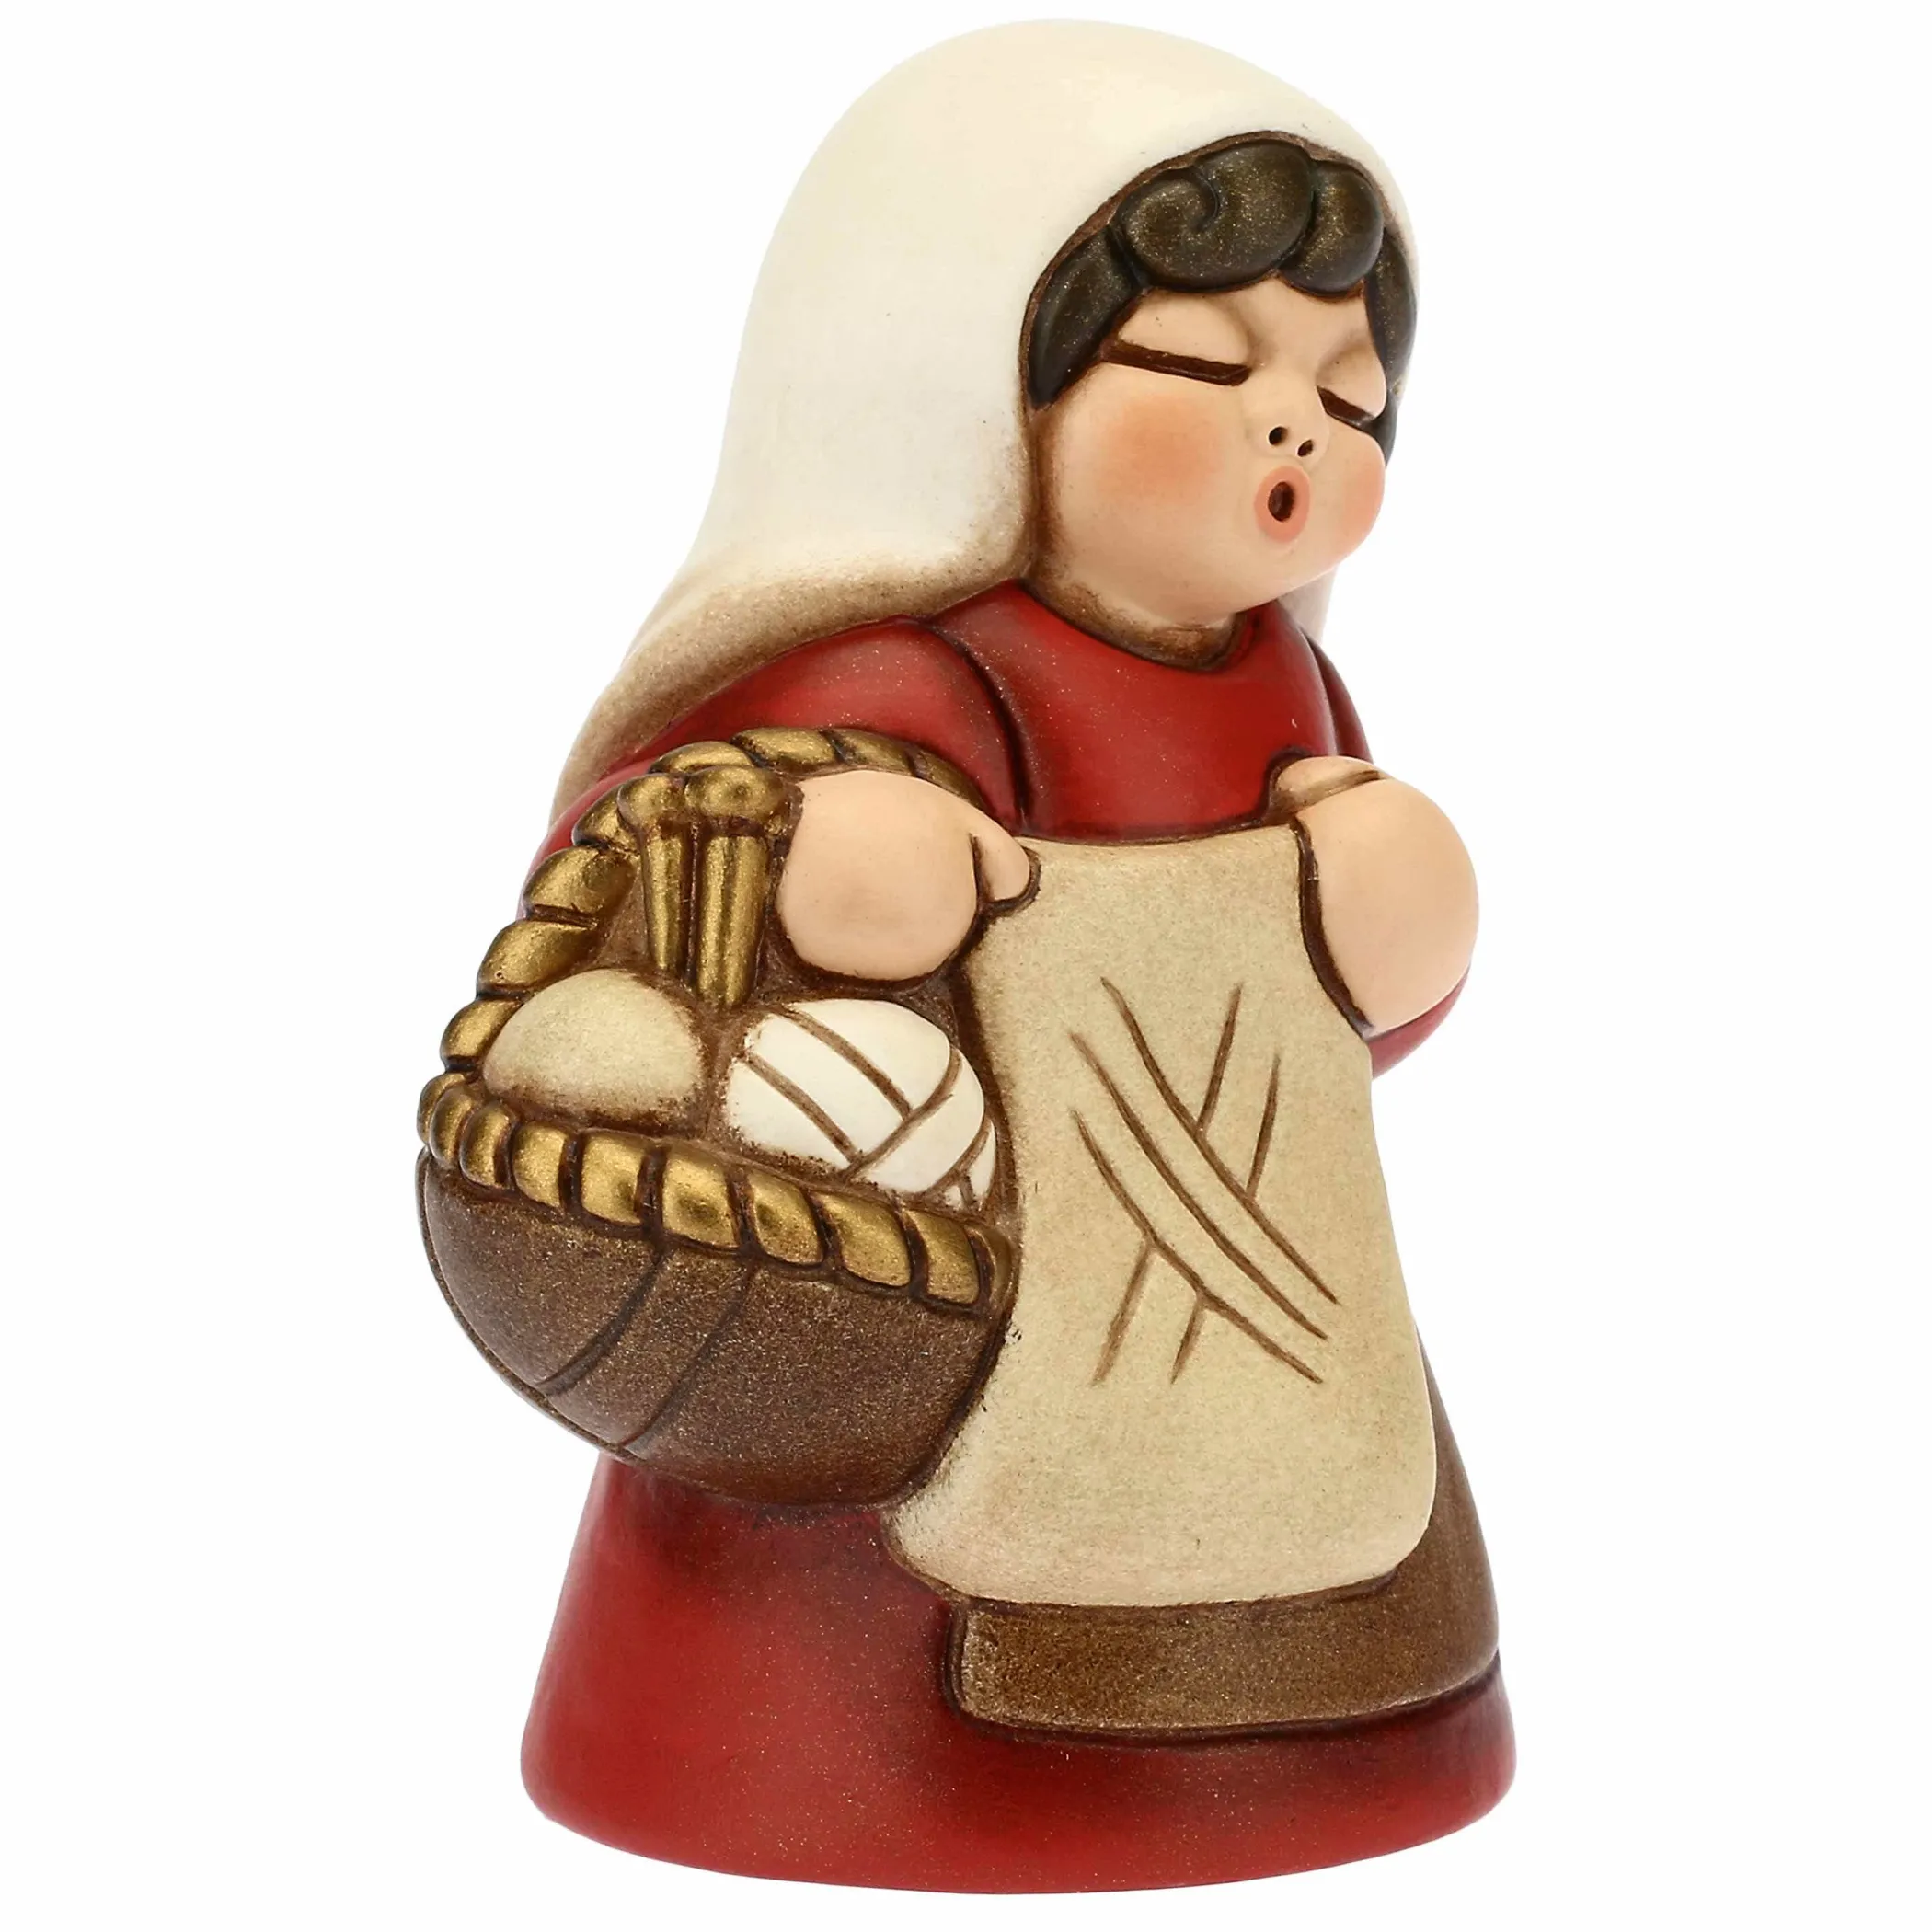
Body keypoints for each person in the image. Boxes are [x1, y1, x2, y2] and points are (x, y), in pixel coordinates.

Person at [521, 22, 1512, 1889]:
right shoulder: (888, 676)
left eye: (1350, 395)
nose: (1294, 430)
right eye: (1205, 366)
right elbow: (632, 888)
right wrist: (832, 869)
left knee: (1336, 1536)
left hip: (1270, 1327)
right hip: (889, 1343)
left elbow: (1332, 1033)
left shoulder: (1285, 688)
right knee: (882, 1629)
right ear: (973, 383)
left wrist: (1391, 915)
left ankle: (1322, 1736)